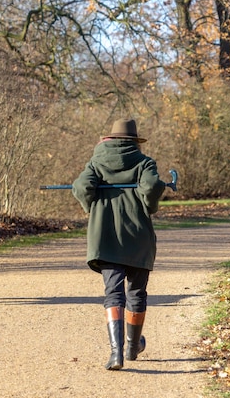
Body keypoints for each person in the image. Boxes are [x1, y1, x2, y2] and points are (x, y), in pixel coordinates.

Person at [72, 118, 166, 370]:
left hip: (105, 237)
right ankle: (133, 347)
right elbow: (153, 186)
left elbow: (81, 187)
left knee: (113, 292)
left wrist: (92, 207)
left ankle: (116, 354)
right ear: (134, 141)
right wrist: (149, 206)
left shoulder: (96, 162)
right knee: (136, 292)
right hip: (138, 236)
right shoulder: (144, 162)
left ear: (111, 139)